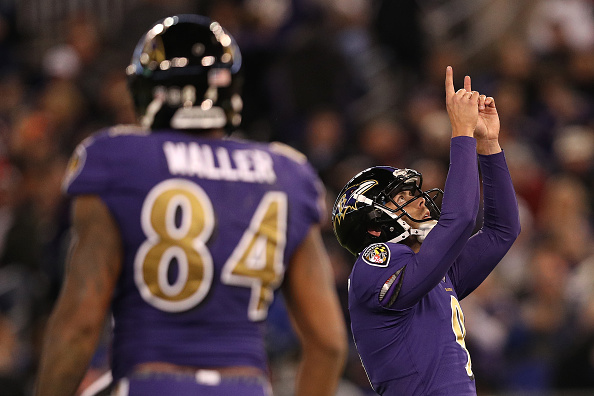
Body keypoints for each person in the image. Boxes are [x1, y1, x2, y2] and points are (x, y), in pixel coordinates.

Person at [35, 14, 347, 396]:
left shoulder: (117, 159)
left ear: (147, 92)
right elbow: (329, 344)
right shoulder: (287, 172)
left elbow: (80, 326)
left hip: (151, 382)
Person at [331, 66, 521, 395]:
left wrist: (487, 144)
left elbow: (502, 230)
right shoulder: (375, 261)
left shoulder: (429, 274)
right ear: (373, 227)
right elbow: (460, 219)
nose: (420, 202)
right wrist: (461, 133)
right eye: (403, 198)